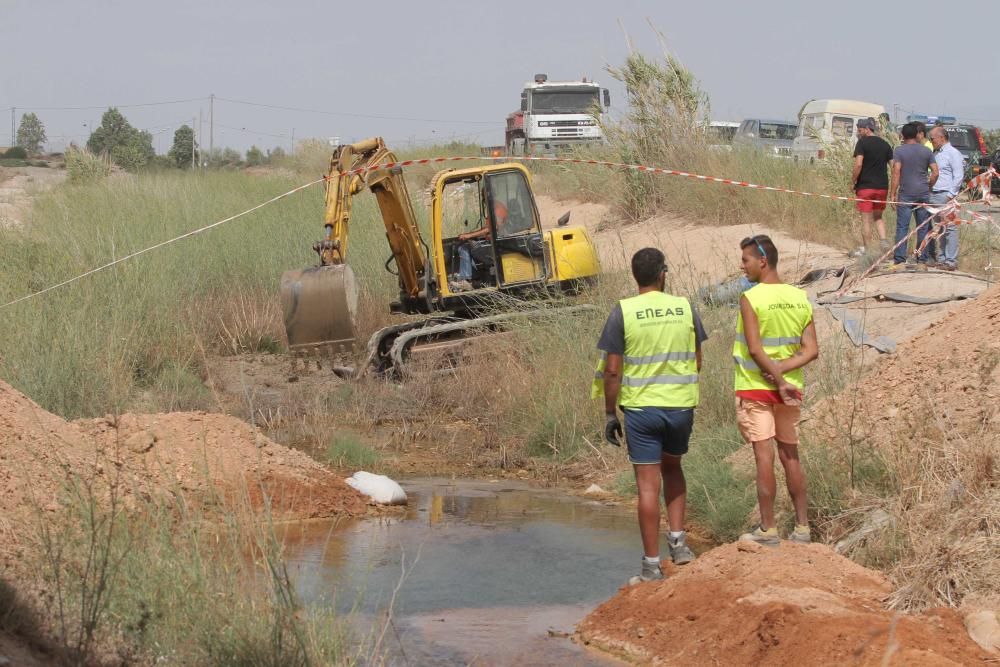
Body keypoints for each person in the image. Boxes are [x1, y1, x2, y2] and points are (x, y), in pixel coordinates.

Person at [593, 247, 708, 583]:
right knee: (673, 469)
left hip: (642, 410)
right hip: (680, 406)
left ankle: (651, 566)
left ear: (635, 276)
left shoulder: (623, 312)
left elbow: (612, 372)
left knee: (647, 486)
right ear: (663, 274)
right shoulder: (685, 307)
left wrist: (609, 413)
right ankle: (680, 546)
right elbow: (697, 360)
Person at [732, 235, 819, 545]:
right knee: (791, 454)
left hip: (757, 387)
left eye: (746, 260)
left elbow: (755, 350)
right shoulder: (799, 297)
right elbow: (812, 349)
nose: (742, 266)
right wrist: (783, 373)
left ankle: (768, 529)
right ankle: (802, 527)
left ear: (762, 261)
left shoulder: (751, 298)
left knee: (764, 456)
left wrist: (774, 377)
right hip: (791, 389)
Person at [889, 122, 939, 266]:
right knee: (922, 227)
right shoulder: (926, 151)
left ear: (903, 135)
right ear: (917, 135)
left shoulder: (899, 151)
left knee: (902, 227)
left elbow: (896, 172)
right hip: (923, 194)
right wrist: (929, 186)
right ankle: (922, 259)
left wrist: (892, 194)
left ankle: (899, 259)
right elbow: (935, 172)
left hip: (905, 194)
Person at [851, 117, 894, 255]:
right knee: (878, 217)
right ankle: (883, 241)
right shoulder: (886, 144)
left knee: (866, 220)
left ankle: (868, 252)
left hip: (865, 187)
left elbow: (858, 164)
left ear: (867, 129)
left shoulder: (862, 143)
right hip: (882, 188)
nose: (858, 133)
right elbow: (893, 167)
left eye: (860, 130)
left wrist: (853, 181)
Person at [929, 126, 965, 271]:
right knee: (940, 228)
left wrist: (951, 194)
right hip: (935, 195)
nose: (932, 141)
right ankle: (942, 258)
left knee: (950, 228)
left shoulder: (953, 153)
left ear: (942, 138)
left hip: (946, 195)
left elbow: (959, 175)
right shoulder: (937, 153)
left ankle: (951, 261)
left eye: (933, 139)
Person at [452, 201, 510, 290]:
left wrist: (469, 235)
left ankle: (467, 280)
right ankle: (473, 280)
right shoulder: (495, 208)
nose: (483, 200)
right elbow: (488, 229)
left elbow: (492, 229)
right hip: (492, 243)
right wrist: (470, 234)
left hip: (496, 246)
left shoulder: (498, 209)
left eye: (483, 196)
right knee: (467, 247)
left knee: (464, 248)